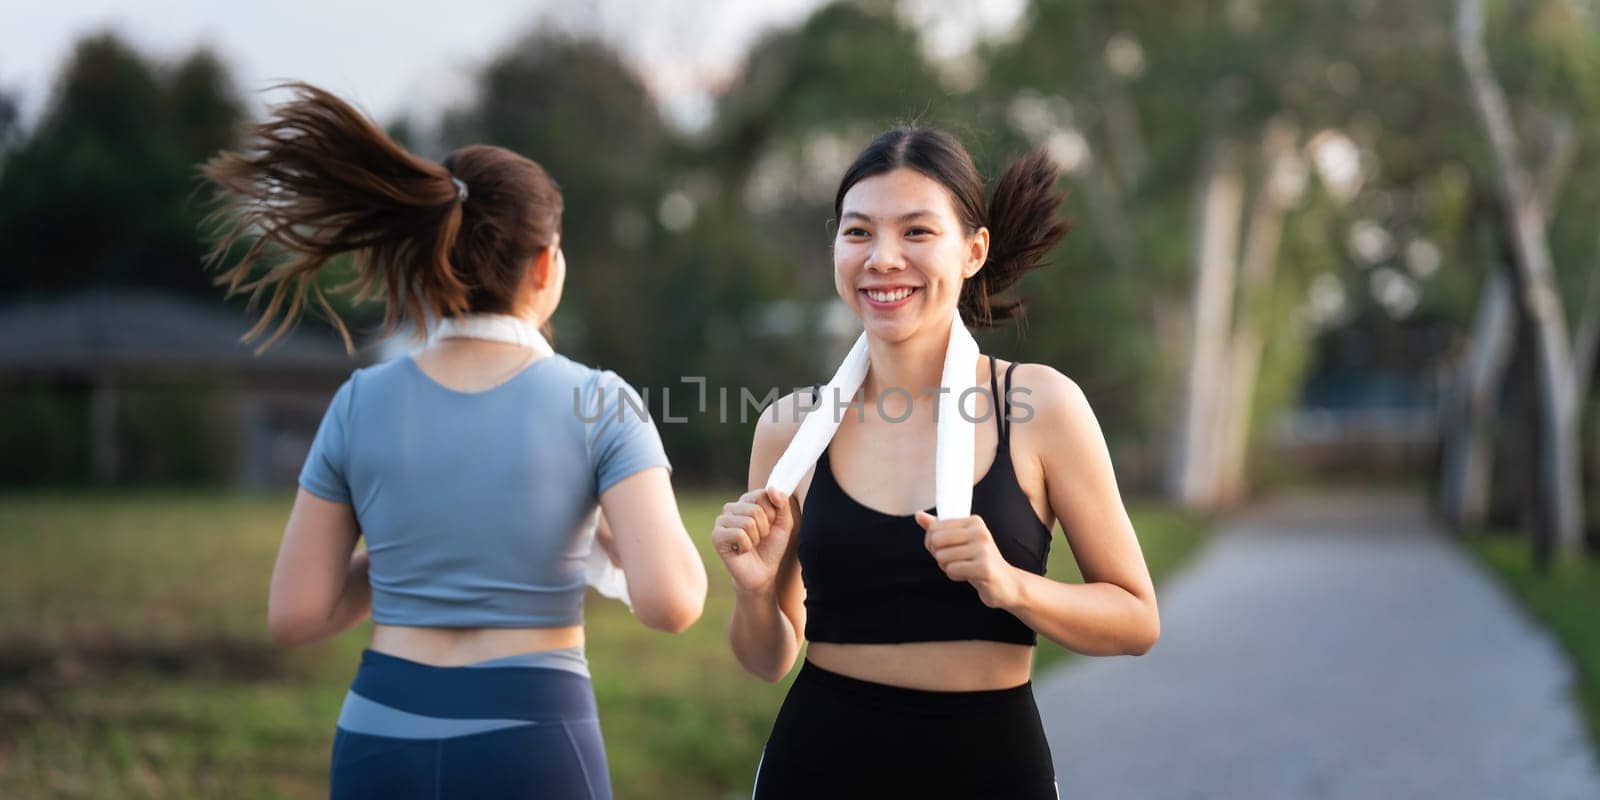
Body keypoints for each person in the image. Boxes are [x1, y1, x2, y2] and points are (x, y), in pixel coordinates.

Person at [202, 82, 707, 800]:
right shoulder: (601, 402)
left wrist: (416, 554)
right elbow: (674, 602)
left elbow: (296, 614)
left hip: (380, 737)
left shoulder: (358, 403)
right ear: (543, 266)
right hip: (534, 739)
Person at [712, 127, 1160, 798]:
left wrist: (1011, 587)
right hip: (816, 766)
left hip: (987, 769)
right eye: (858, 232)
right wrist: (752, 592)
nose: (883, 258)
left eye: (917, 232)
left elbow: (1135, 619)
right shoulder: (791, 428)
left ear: (973, 250)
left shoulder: (1038, 407)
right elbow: (769, 657)